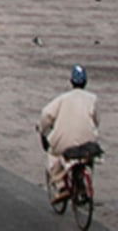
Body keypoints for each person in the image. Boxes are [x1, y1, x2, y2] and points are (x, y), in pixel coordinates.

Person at [39, 65, 99, 200]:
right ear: (86, 82)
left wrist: (42, 130)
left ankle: (61, 186)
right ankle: (82, 184)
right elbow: (96, 120)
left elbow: (46, 114)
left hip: (65, 141)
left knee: (53, 154)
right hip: (88, 141)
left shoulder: (62, 99)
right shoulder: (93, 99)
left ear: (71, 81)